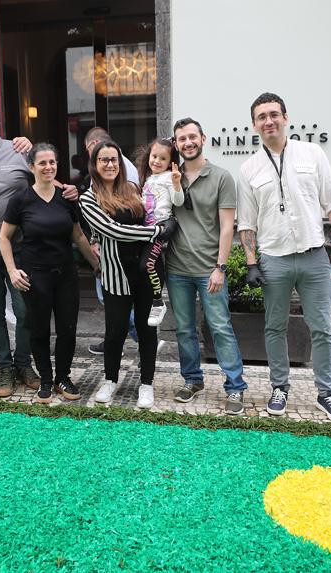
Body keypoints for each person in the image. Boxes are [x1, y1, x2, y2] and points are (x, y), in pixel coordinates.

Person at [236, 92, 331, 423]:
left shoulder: (312, 153)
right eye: (261, 116)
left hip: (314, 255)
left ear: (286, 117)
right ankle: (279, 387)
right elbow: (247, 221)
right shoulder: (248, 168)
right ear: (254, 125)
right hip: (274, 259)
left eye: (274, 114)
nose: (268, 121)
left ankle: (326, 392)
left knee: (322, 327)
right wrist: (251, 262)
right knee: (274, 326)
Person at [0, 101, 77, 397]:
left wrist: (67, 190)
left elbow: (44, 177)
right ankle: (5, 370)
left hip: (22, 251)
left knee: (26, 313)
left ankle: (25, 365)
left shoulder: (20, 151)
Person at [0, 143, 99, 403]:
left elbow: (77, 235)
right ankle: (45, 378)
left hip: (66, 274)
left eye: (52, 162)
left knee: (67, 329)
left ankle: (63, 378)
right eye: (42, 163)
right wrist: (12, 270)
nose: (48, 167)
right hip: (35, 276)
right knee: (39, 329)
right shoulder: (20, 200)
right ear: (31, 167)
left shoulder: (66, 197)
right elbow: (4, 238)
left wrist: (97, 265)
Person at [165, 118, 249, 415]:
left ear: (203, 138)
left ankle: (235, 387)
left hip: (209, 269)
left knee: (220, 327)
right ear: (175, 144)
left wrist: (220, 267)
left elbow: (228, 226)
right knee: (184, 330)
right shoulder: (169, 177)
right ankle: (192, 380)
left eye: (192, 137)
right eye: (181, 139)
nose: (187, 143)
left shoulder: (222, 177)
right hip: (176, 269)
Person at [80, 141, 171, 409]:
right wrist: (156, 233)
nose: (110, 165)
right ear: (95, 165)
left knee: (147, 331)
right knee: (115, 331)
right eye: (104, 160)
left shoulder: (132, 190)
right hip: (115, 275)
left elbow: (150, 215)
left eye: (114, 160)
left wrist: (160, 225)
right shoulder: (89, 198)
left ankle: (146, 384)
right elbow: (114, 231)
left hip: (143, 272)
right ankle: (110, 380)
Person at [82, 126, 143, 355]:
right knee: (111, 300)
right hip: (113, 249)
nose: (108, 164)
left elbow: (119, 222)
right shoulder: (101, 180)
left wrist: (153, 233)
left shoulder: (121, 172)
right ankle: (117, 341)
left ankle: (142, 339)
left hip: (121, 255)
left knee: (111, 299)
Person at [136, 137, 184, 326]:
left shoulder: (168, 178)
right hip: (146, 230)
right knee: (146, 265)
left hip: (159, 228)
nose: (156, 161)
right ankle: (149, 299)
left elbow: (178, 202)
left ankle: (158, 301)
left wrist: (176, 183)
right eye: (154, 156)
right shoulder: (148, 179)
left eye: (162, 159)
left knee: (146, 265)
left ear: (170, 162)